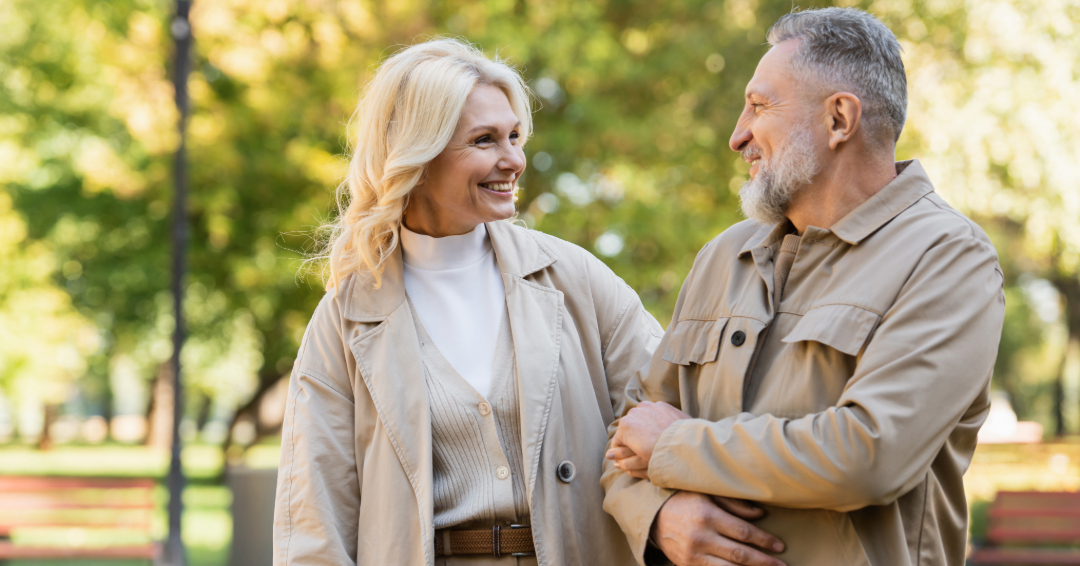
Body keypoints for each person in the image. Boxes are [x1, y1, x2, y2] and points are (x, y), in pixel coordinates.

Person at [603, 8, 1005, 566]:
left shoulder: (948, 258)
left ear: (840, 119)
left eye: (759, 106)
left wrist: (673, 448)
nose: (736, 135)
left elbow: (869, 455)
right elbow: (629, 435)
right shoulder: (723, 255)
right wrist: (658, 517)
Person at [272, 38, 671, 565]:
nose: (514, 161)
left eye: (514, 136)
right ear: (419, 153)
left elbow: (665, 411)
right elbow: (314, 522)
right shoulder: (347, 318)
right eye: (485, 141)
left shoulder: (574, 277)